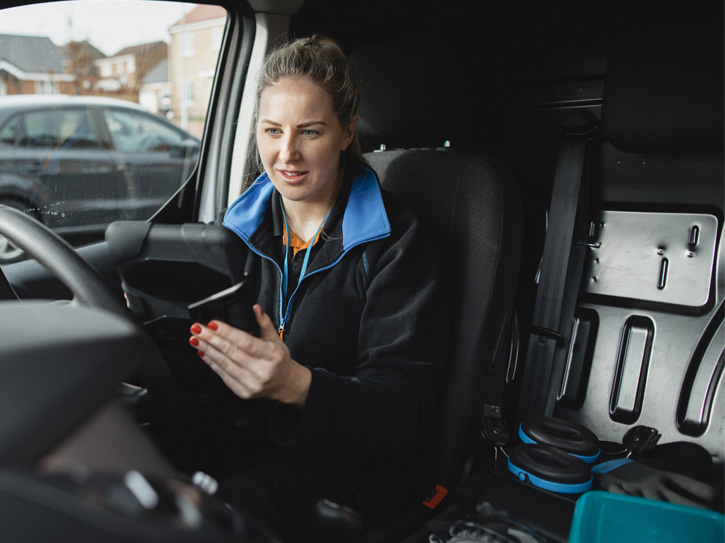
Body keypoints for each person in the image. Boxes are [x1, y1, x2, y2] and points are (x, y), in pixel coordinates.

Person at [185, 35, 448, 541]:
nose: (287, 154)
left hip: (351, 467)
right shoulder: (230, 233)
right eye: (272, 131)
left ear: (347, 132)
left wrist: (296, 386)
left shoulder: (398, 243)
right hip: (246, 437)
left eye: (310, 131)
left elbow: (404, 412)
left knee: (219, 514)